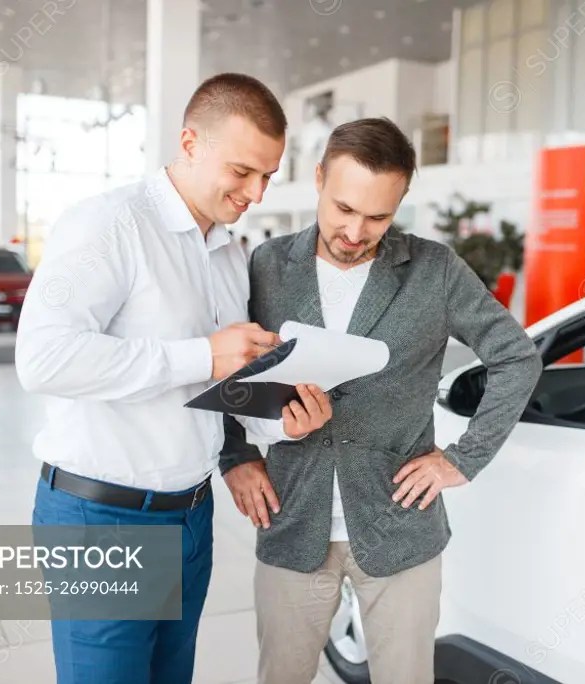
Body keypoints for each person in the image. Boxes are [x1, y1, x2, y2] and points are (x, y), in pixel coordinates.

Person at [14, 73, 332, 684]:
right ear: (189, 144)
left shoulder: (230, 252)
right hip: (101, 520)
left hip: (190, 516)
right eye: (242, 171)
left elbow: (221, 393)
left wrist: (284, 418)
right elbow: (44, 358)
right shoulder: (110, 224)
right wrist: (201, 356)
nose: (256, 193)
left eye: (267, 175)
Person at [219, 117, 544, 684]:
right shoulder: (266, 266)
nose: (355, 230)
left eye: (378, 216)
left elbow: (517, 357)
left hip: (400, 531)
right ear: (318, 179)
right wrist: (236, 455)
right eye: (343, 208)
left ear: (401, 201)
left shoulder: (435, 270)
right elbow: (229, 369)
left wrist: (462, 458)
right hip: (292, 521)